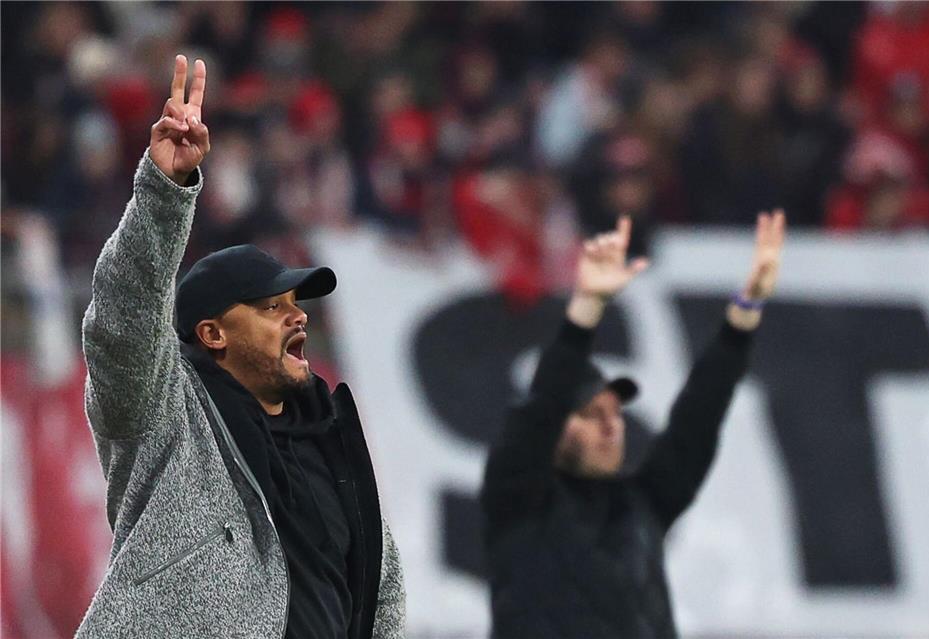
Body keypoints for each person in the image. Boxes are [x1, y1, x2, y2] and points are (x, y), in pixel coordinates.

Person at [77, 55, 405, 639]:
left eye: (296, 304)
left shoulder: (335, 451)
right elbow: (122, 326)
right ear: (212, 334)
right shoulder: (166, 420)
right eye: (271, 306)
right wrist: (163, 193)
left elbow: (380, 604)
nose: (297, 316)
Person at [481, 210, 786, 638]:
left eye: (615, 414)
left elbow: (698, 416)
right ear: (552, 433)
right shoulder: (519, 501)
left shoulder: (644, 503)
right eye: (590, 415)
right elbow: (543, 405)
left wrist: (743, 317)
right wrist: (585, 311)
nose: (612, 427)